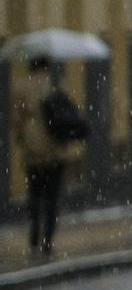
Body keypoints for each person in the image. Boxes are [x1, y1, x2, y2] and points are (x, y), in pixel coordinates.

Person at [14, 59, 84, 259]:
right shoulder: (55, 82)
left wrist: (23, 136)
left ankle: (34, 235)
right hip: (55, 149)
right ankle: (48, 240)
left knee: (35, 194)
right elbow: (66, 110)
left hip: (33, 149)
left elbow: (17, 121)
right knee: (52, 197)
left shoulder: (21, 86)